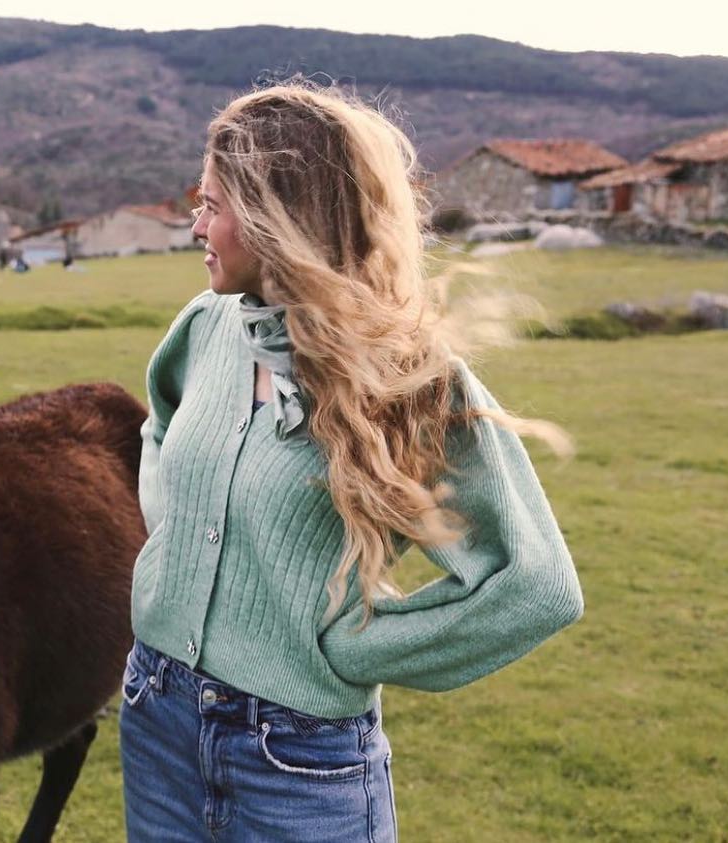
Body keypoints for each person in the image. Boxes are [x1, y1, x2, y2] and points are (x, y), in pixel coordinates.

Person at [119, 81, 585, 842]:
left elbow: (536, 584)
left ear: (280, 216)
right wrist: (170, 547)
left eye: (213, 204)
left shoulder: (407, 379)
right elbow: (161, 424)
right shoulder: (205, 325)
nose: (194, 224)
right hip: (157, 712)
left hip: (294, 757)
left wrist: (355, 645)